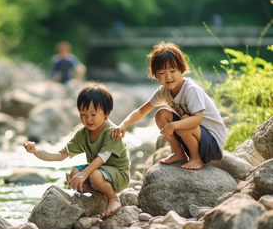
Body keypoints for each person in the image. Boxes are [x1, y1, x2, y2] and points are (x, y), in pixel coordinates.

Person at [112, 42, 226, 170]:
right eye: (162, 73)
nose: (168, 77)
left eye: (173, 71)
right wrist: (124, 124)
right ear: (155, 74)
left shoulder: (190, 90)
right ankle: (179, 153)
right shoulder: (163, 92)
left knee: (183, 122)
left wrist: (173, 125)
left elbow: (197, 119)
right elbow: (141, 111)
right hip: (195, 137)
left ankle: (196, 158)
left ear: (182, 70)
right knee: (161, 114)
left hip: (212, 144)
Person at [23, 83, 130, 217]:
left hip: (118, 174)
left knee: (93, 174)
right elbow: (60, 155)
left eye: (93, 114)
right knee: (73, 173)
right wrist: (36, 151)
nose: (88, 119)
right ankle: (98, 197)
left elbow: (102, 158)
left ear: (107, 113)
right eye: (83, 114)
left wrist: (84, 174)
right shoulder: (83, 133)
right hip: (97, 172)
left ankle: (113, 198)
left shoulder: (111, 132)